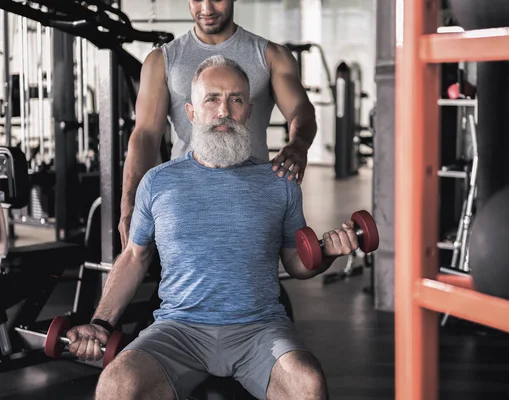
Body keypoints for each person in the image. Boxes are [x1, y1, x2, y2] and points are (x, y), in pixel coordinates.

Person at [65, 56, 359, 400]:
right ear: (191, 113)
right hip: (178, 329)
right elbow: (134, 257)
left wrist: (326, 254)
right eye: (212, 99)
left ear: (248, 112)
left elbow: (296, 261)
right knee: (116, 384)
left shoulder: (279, 183)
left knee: (307, 383)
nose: (224, 111)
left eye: (235, 99)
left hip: (259, 328)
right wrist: (101, 323)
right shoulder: (158, 182)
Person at [119, 0, 317, 249]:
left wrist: (299, 143)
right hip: (184, 200)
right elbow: (146, 134)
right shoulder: (163, 60)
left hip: (251, 199)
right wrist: (129, 202)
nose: (207, 9)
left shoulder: (271, 56)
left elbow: (301, 110)